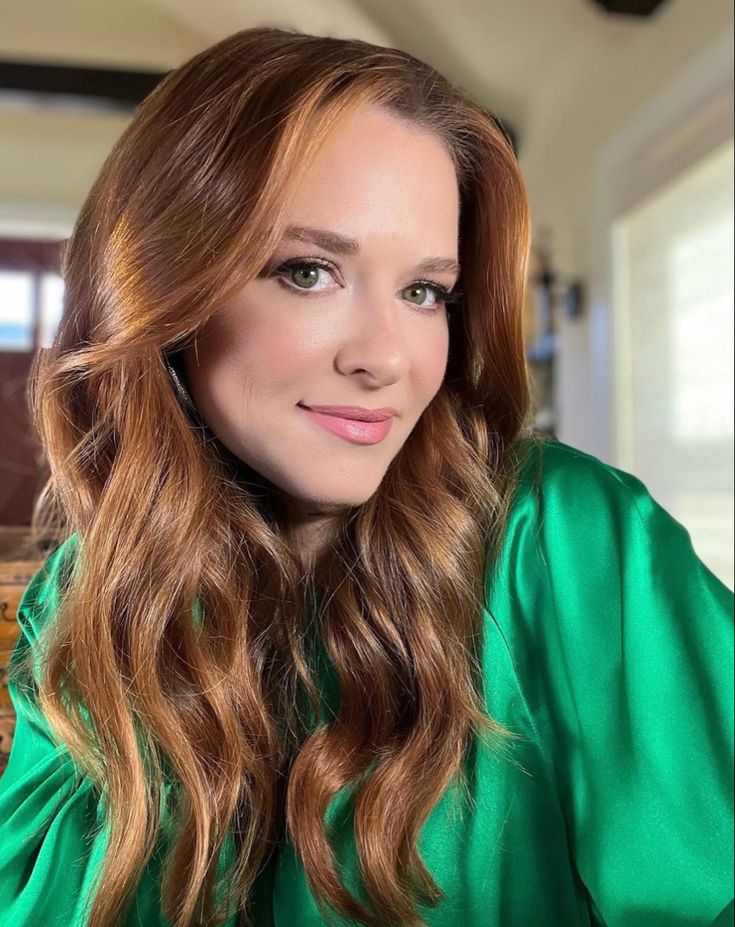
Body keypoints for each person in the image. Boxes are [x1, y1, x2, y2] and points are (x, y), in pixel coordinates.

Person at [0, 25, 732, 927]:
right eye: (308, 271)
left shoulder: (565, 539)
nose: (387, 357)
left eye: (425, 290)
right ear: (167, 288)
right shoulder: (83, 591)